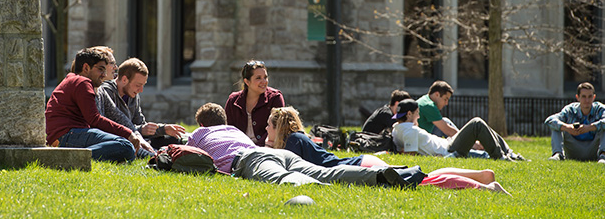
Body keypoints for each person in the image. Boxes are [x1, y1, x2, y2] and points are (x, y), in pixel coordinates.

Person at [266, 106, 511, 194]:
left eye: (268, 126)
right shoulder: (297, 138)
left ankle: (484, 186)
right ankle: (480, 176)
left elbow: (295, 174)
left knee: (421, 182)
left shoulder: (293, 142)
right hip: (362, 162)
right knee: (424, 177)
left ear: (279, 127)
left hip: (360, 167)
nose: (266, 130)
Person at [186, 103, 425, 188]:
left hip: (250, 160)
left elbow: (183, 153)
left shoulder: (199, 133)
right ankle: (382, 176)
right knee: (327, 172)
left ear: (201, 123)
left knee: (282, 178)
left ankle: (323, 190)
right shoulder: (233, 131)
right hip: (268, 154)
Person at [45, 48, 151, 162]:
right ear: (86, 68)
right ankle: (69, 158)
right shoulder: (82, 82)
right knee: (125, 146)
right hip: (67, 136)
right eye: (100, 70)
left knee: (124, 147)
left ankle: (154, 158)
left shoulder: (75, 81)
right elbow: (94, 119)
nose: (104, 74)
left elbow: (117, 116)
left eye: (105, 70)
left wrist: (132, 134)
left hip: (67, 135)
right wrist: (128, 134)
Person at [96, 58, 188, 155]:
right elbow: (113, 126)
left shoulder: (133, 94)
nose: (141, 90)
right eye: (138, 85)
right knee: (145, 150)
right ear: (124, 80)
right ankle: (158, 157)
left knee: (172, 139)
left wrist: (163, 129)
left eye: (143, 85)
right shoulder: (107, 92)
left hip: (137, 136)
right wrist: (140, 131)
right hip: (121, 139)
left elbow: (140, 123)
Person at [392, 99, 526, 161]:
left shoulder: (396, 129)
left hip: (447, 143)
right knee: (477, 123)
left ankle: (509, 153)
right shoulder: (410, 131)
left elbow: (401, 150)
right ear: (409, 114)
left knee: (483, 127)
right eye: (417, 113)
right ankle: (500, 156)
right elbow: (410, 157)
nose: (419, 116)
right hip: (448, 150)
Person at [544, 82, 605, 163]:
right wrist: (567, 127)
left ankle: (603, 157)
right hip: (573, 148)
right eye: (583, 97)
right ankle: (558, 154)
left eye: (590, 97)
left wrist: (590, 127)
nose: (587, 100)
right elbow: (550, 120)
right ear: (577, 97)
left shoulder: (600, 109)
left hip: (594, 149)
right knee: (557, 126)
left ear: (594, 97)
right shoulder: (570, 110)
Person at [225, 60, 285, 146]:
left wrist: (257, 148)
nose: (264, 81)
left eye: (265, 77)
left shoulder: (275, 98)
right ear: (247, 82)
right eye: (258, 78)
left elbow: (277, 128)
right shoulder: (233, 100)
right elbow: (228, 129)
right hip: (238, 149)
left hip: (267, 148)